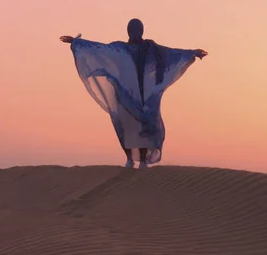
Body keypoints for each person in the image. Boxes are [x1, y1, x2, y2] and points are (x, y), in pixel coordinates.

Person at [60, 18, 207, 169]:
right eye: (133, 29)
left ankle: (142, 160)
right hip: (124, 93)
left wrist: (191, 53)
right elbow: (100, 49)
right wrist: (77, 43)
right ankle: (129, 158)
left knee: (143, 125)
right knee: (125, 125)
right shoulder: (120, 49)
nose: (136, 32)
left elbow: (170, 54)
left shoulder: (151, 48)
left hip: (144, 95)